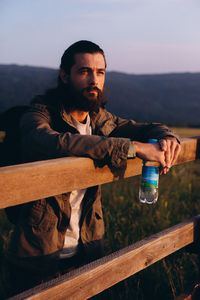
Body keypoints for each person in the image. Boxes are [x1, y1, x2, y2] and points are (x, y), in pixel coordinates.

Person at [6, 40, 180, 296]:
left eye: (100, 72)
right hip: (38, 257)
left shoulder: (99, 119)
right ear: (64, 75)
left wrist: (168, 137)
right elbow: (48, 141)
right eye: (84, 71)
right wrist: (134, 148)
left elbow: (145, 127)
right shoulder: (40, 114)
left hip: (88, 248)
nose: (94, 80)